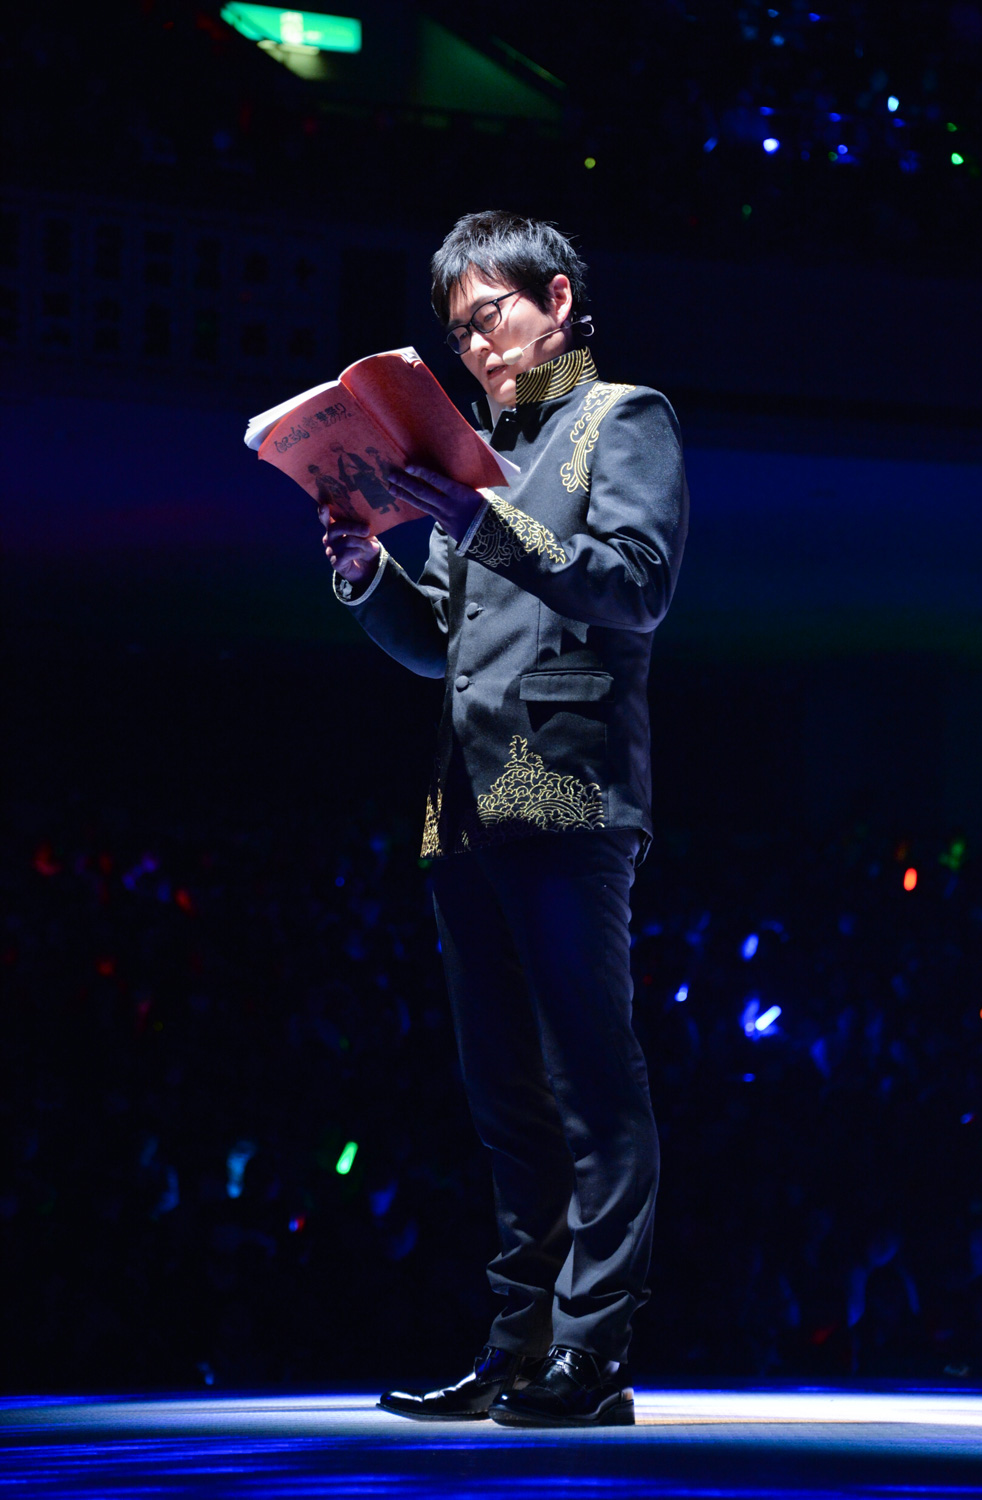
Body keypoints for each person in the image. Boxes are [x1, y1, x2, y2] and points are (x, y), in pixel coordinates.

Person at [322, 210, 689, 1427]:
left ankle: (592, 1353)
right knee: (504, 1098)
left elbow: (634, 584)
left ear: (558, 300)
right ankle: (516, 1347)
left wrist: (480, 521)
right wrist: (368, 572)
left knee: (589, 1078)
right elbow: (439, 644)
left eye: (490, 316)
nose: (475, 346)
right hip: (464, 806)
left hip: (568, 793)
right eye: (459, 332)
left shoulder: (619, 419)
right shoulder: (470, 458)